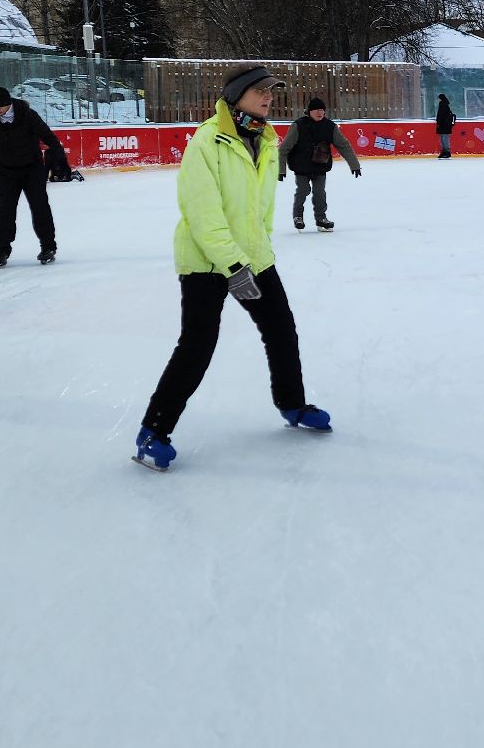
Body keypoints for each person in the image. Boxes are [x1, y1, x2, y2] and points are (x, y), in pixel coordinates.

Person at [134, 65, 330, 472]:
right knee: (198, 344)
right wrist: (233, 266)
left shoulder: (266, 138)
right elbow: (202, 213)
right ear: (237, 95)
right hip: (206, 261)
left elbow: (261, 207)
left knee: (281, 330)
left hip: (253, 255)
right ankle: (153, 431)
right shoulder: (208, 141)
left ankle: (292, 404)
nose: (269, 97)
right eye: (260, 91)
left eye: (272, 91)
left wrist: (259, 249)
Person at [0, 86, 61, 267]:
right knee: (5, 210)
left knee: (40, 207)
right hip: (6, 171)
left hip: (32, 169)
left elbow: (48, 136)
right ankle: (2, 250)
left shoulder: (28, 115)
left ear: (7, 104)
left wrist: (58, 159)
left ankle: (48, 246)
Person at [278, 97, 362, 232]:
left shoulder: (329, 126)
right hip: (301, 166)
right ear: (309, 111)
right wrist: (281, 169)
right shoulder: (298, 125)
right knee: (303, 190)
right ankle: (298, 216)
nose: (320, 113)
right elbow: (284, 148)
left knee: (319, 193)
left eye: (322, 110)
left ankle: (321, 219)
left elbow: (344, 145)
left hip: (320, 165)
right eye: (316, 110)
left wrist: (355, 165)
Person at [435, 94, 456, 158]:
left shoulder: (443, 105)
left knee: (444, 138)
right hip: (445, 124)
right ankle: (445, 151)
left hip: (444, 124)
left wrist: (438, 121)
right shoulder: (445, 104)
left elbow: (440, 115)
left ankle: (446, 151)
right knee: (443, 138)